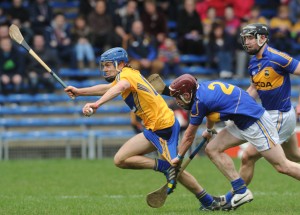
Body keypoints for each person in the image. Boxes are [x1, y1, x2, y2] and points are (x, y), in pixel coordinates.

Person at [64, 47, 221, 211]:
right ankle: (165, 168)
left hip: (164, 128)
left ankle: (209, 201)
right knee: (121, 160)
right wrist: (79, 91)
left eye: (108, 65)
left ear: (121, 63)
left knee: (177, 171)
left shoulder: (126, 76)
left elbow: (118, 88)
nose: (105, 69)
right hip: (154, 129)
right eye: (104, 65)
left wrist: (96, 104)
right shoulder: (128, 74)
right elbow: (110, 88)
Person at [169, 74, 300, 211]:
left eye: (179, 96)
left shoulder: (198, 102)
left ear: (187, 93)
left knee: (282, 166)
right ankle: (241, 191)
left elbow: (189, 136)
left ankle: (240, 192)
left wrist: (178, 157)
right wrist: (209, 128)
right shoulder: (203, 89)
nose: (177, 101)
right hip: (241, 121)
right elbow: (209, 110)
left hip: (255, 122)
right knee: (212, 148)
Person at [217, 23, 300, 206]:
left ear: (262, 38)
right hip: (270, 115)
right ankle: (234, 196)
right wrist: (238, 105)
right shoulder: (254, 61)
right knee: (294, 155)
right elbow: (255, 87)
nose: (246, 42)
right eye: (245, 38)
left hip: (279, 116)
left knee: (250, 157)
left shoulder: (277, 57)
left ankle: (232, 198)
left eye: (250, 37)